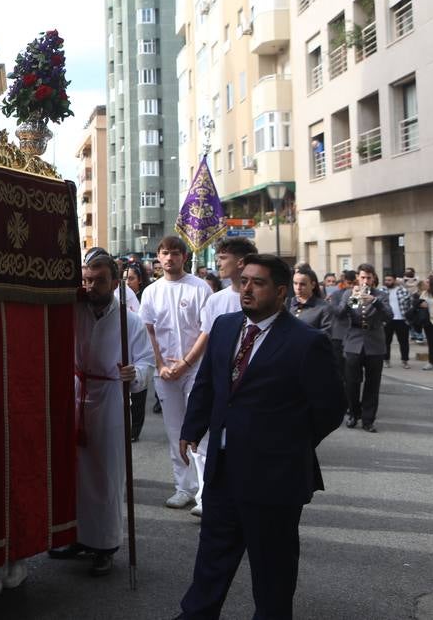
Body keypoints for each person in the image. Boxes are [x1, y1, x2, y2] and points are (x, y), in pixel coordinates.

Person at [172, 254, 345, 620]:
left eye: (258, 282)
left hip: (274, 478)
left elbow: (330, 408)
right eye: (244, 280)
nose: (246, 288)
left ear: (281, 292)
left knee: (273, 569)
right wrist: (192, 429)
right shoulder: (223, 326)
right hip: (223, 471)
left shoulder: (306, 342)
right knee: (212, 558)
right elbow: (209, 384)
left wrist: (287, 444)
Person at [47, 248, 153, 576]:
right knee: (75, 472)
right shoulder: (74, 311)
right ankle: (77, 536)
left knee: (106, 474)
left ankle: (105, 544)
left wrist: (134, 373)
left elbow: (147, 361)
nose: (91, 286)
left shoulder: (129, 320)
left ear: (115, 282)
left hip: (109, 399)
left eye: (100, 280)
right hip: (77, 394)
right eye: (87, 280)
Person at [139, 236, 214, 511]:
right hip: (165, 373)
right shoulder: (151, 292)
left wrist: (185, 362)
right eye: (164, 253)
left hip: (195, 370)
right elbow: (149, 331)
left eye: (174, 253)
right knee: (174, 432)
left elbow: (207, 330)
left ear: (184, 257)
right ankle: (183, 487)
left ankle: (205, 494)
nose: (169, 258)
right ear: (158, 257)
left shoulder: (199, 288)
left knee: (198, 432)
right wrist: (160, 365)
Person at [188, 237, 256, 518]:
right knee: (206, 444)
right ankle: (206, 495)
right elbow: (208, 340)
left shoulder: (259, 299)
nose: (218, 264)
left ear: (240, 262)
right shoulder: (216, 300)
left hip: (250, 384)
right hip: (219, 382)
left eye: (223, 258)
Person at [339, 264, 391, 432]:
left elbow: (389, 316)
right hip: (354, 343)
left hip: (375, 344)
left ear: (373, 278)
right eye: (362, 277)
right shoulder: (350, 293)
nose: (366, 281)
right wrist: (353, 299)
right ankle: (354, 414)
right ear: (358, 278)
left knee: (372, 384)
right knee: (352, 383)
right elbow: (340, 314)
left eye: (369, 278)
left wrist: (375, 302)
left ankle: (368, 420)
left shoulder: (380, 296)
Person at [123, 262, 149, 440]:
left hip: (137, 344)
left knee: (138, 392)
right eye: (125, 278)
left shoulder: (137, 295)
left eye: (131, 278)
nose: (127, 282)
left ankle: (135, 429)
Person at [382, 273, 412, 369]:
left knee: (403, 342)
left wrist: (409, 317)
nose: (387, 282)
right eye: (386, 280)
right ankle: (386, 360)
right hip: (387, 320)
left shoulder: (403, 291)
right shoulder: (382, 291)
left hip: (401, 319)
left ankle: (405, 360)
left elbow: (410, 304)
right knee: (386, 341)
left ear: (395, 280)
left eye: (389, 280)